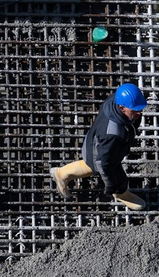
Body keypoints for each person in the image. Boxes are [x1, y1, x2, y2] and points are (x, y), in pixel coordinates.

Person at [48, 83, 149, 211]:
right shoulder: (113, 133)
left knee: (89, 165)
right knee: (116, 176)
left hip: (94, 143)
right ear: (122, 108)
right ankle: (121, 193)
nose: (140, 113)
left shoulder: (115, 102)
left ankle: (61, 173)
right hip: (101, 152)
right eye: (135, 110)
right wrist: (110, 184)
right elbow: (103, 162)